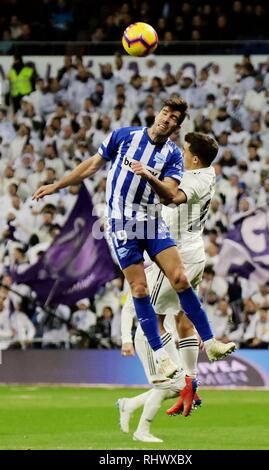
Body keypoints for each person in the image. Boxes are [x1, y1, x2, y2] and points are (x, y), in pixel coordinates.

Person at [32, 97, 235, 393]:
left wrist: (148, 175)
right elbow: (92, 165)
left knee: (179, 278)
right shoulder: (124, 136)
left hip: (152, 222)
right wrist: (57, 185)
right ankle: (160, 356)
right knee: (139, 289)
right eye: (164, 112)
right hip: (121, 224)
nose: (166, 118)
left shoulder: (173, 156)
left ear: (177, 126)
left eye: (173, 118)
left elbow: (169, 195)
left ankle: (212, 343)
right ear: (158, 114)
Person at [117, 132, 222, 442]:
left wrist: (147, 173)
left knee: (176, 383)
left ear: (193, 158)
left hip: (180, 257)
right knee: (177, 384)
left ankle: (131, 409)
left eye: (184, 149)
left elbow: (171, 196)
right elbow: (131, 306)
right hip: (149, 339)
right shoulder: (200, 176)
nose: (179, 151)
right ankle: (141, 426)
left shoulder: (190, 183)